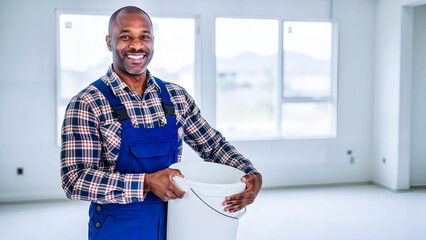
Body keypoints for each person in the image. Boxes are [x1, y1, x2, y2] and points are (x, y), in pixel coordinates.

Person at [60, 5, 262, 240]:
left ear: (153, 41)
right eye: (126, 37)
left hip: (177, 221)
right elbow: (74, 180)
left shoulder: (176, 96)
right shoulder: (87, 102)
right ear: (109, 42)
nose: (137, 45)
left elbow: (213, 146)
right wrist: (146, 183)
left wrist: (250, 173)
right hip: (117, 228)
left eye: (144, 37)